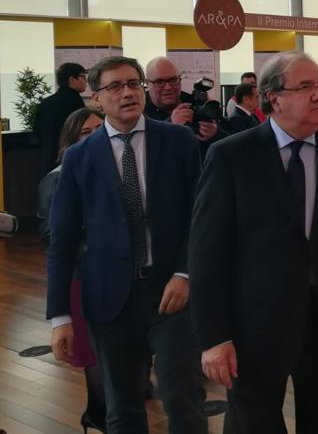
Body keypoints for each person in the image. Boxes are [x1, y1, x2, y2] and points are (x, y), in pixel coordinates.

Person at [190, 51, 318, 434]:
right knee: (253, 421)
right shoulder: (231, 156)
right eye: (306, 87)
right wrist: (214, 336)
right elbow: (207, 254)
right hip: (254, 321)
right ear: (274, 98)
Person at [46, 56, 207, 434]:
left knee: (183, 397)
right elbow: (62, 240)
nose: (128, 92)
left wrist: (185, 272)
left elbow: (200, 216)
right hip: (109, 299)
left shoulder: (178, 141)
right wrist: (59, 317)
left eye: (134, 83)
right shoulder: (78, 158)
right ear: (96, 98)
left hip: (172, 292)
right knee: (122, 407)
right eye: (115, 86)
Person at [38, 107, 106, 433]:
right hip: (81, 277)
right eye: (86, 132)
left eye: (99, 129)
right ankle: (100, 414)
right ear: (71, 140)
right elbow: (55, 237)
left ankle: (101, 411)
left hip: (110, 275)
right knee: (92, 353)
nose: (95, 137)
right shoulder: (57, 178)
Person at [144, 57, 226, 156]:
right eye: (159, 82)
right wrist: (171, 127)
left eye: (173, 80)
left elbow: (233, 142)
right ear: (147, 83)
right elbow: (141, 153)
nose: (168, 87)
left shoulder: (197, 103)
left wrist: (216, 134)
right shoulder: (139, 112)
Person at [35, 62, 87, 174]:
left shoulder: (45, 103)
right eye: (83, 77)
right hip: (70, 159)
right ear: (72, 79)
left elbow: (37, 132)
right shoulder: (75, 101)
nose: (85, 81)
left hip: (47, 160)